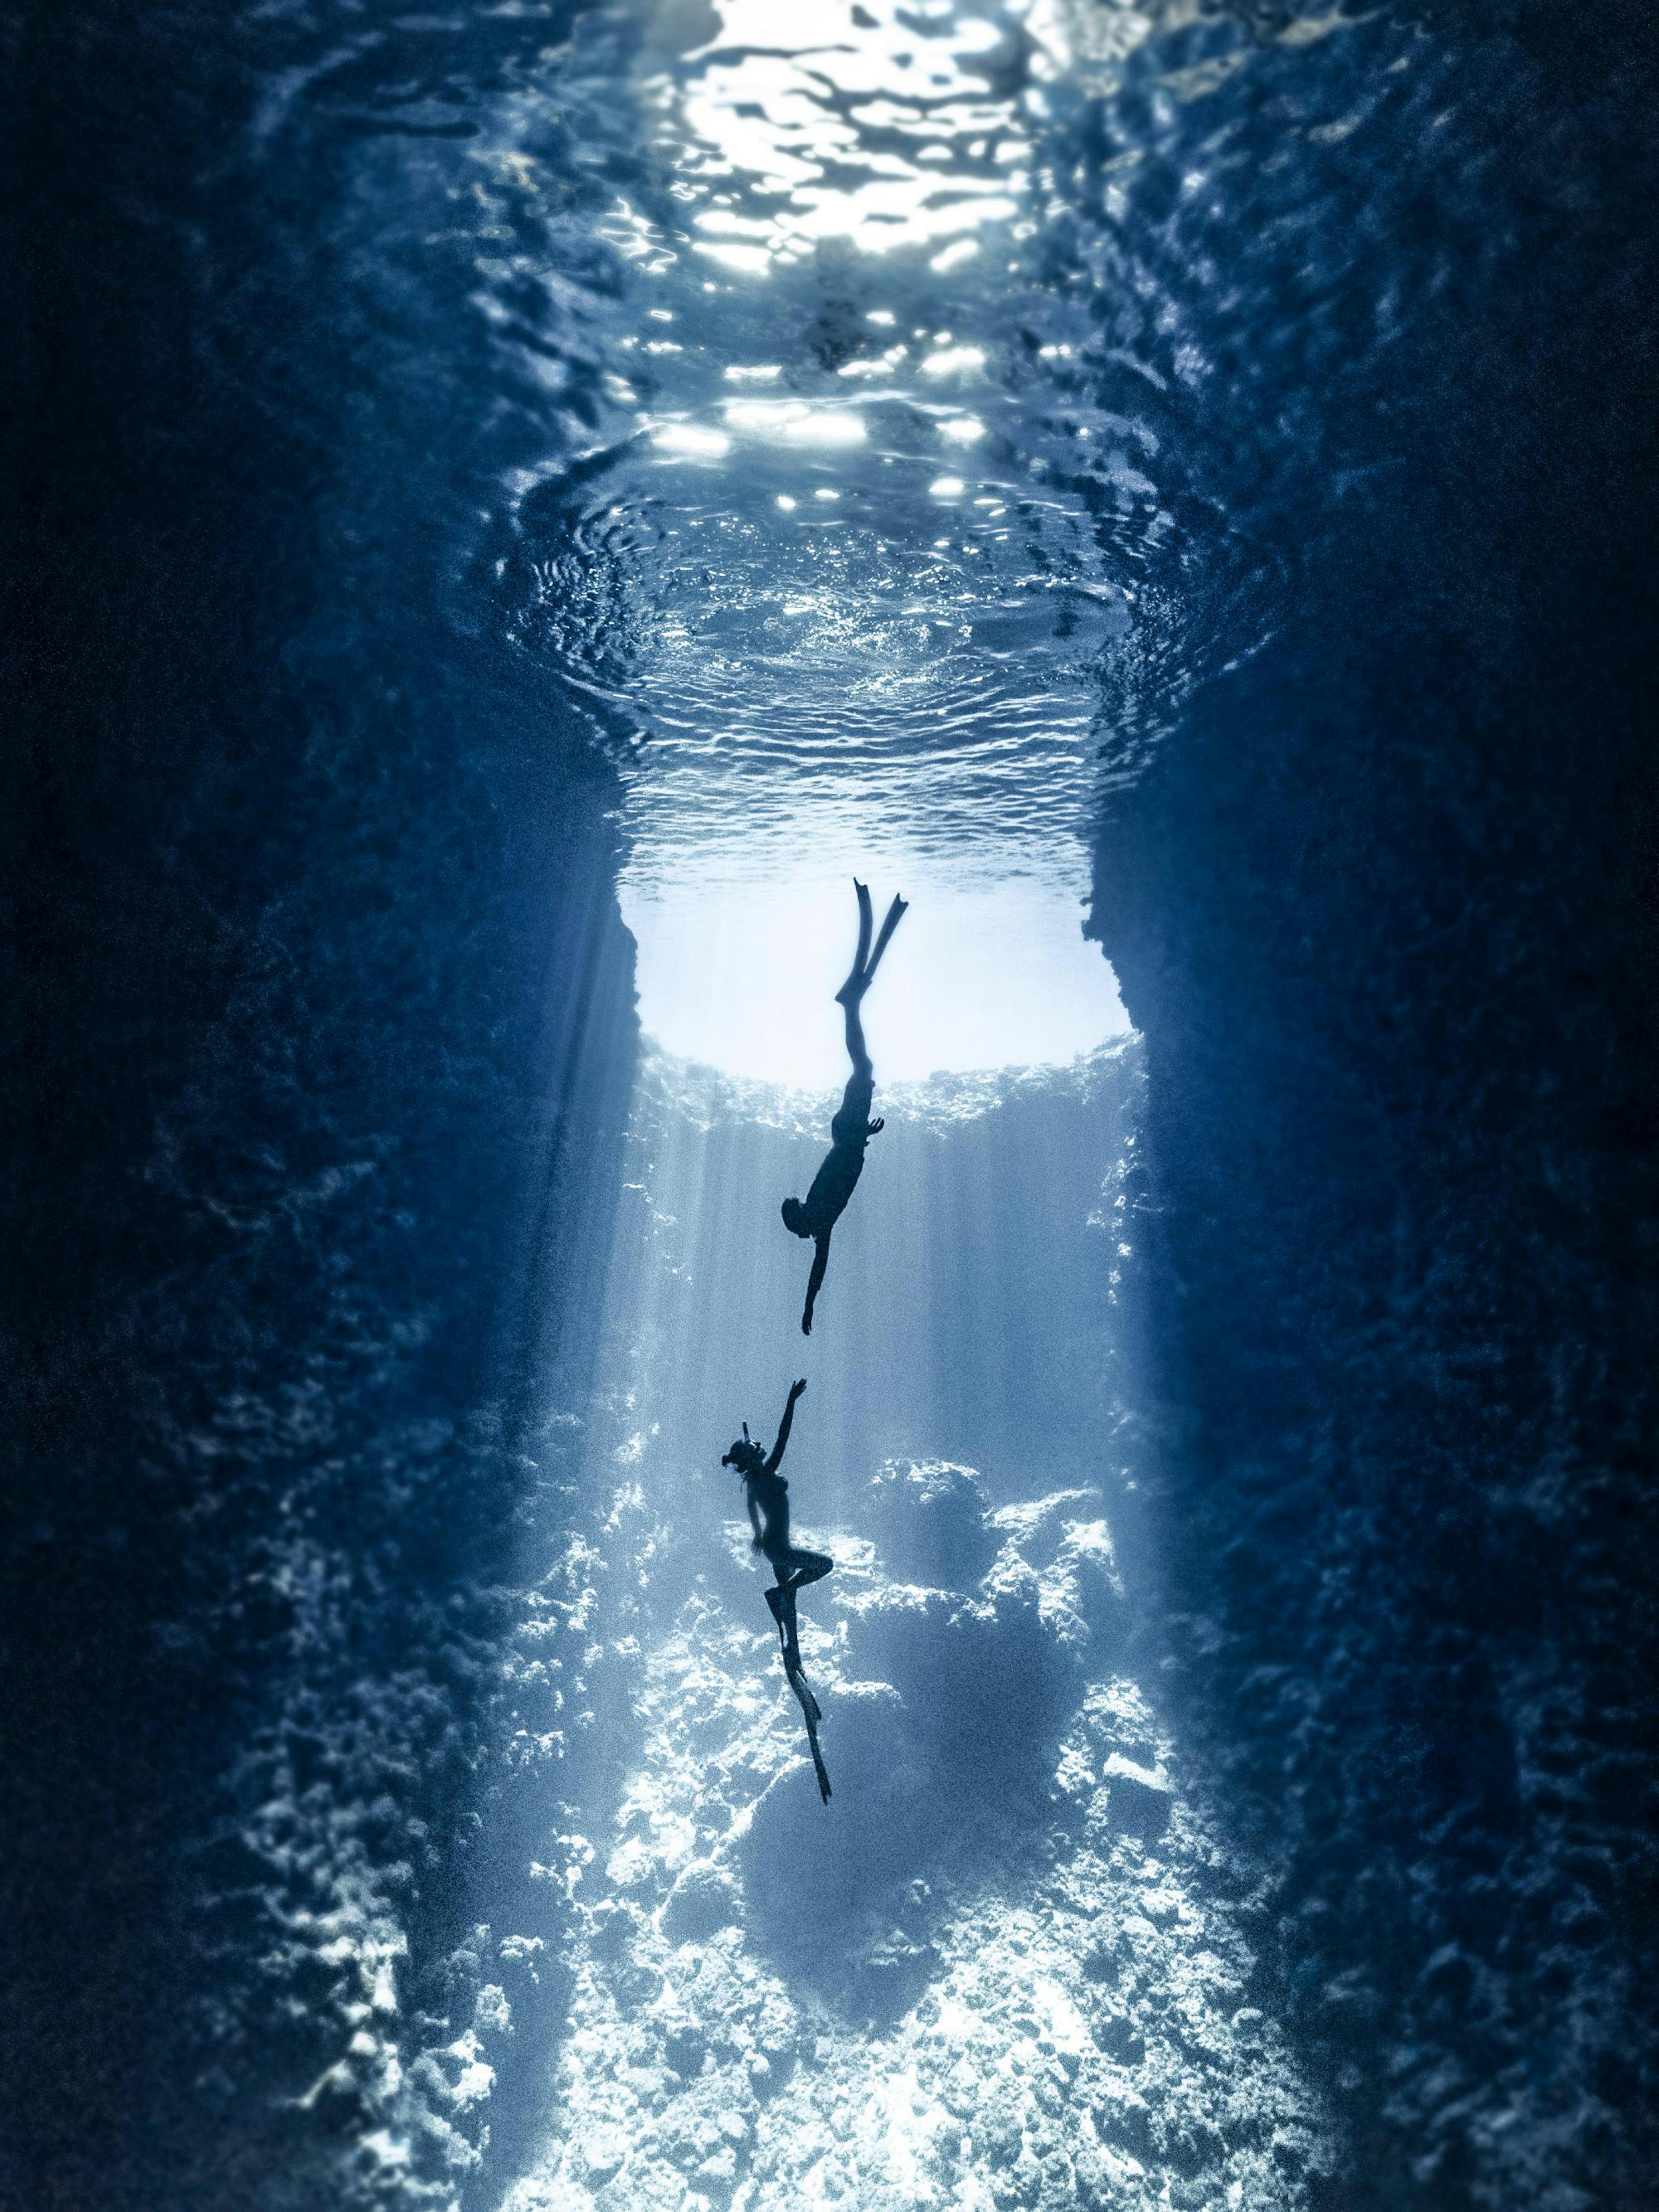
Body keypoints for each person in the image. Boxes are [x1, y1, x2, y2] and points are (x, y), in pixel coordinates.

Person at [781, 879, 907, 1335]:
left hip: (849, 1133)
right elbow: (820, 1268)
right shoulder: (822, 1224)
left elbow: (838, 1166)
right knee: (863, 1067)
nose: (804, 1237)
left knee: (864, 1067)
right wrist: (808, 1306)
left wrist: (861, 1134)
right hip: (849, 1134)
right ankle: (852, 1005)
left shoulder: (820, 1212)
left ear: (802, 1220)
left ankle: (850, 1006)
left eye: (799, 1229)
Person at [723, 1377, 834, 1801]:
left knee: (791, 1620)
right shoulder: (764, 1472)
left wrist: (757, 1535)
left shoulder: (752, 1483)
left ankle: (793, 1661)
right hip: (782, 1549)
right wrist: (791, 1401)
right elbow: (784, 1435)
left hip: (774, 1549)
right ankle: (779, 1597)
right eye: (756, 1450)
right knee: (824, 1566)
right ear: (753, 1457)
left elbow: (753, 1512)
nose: (761, 1449)